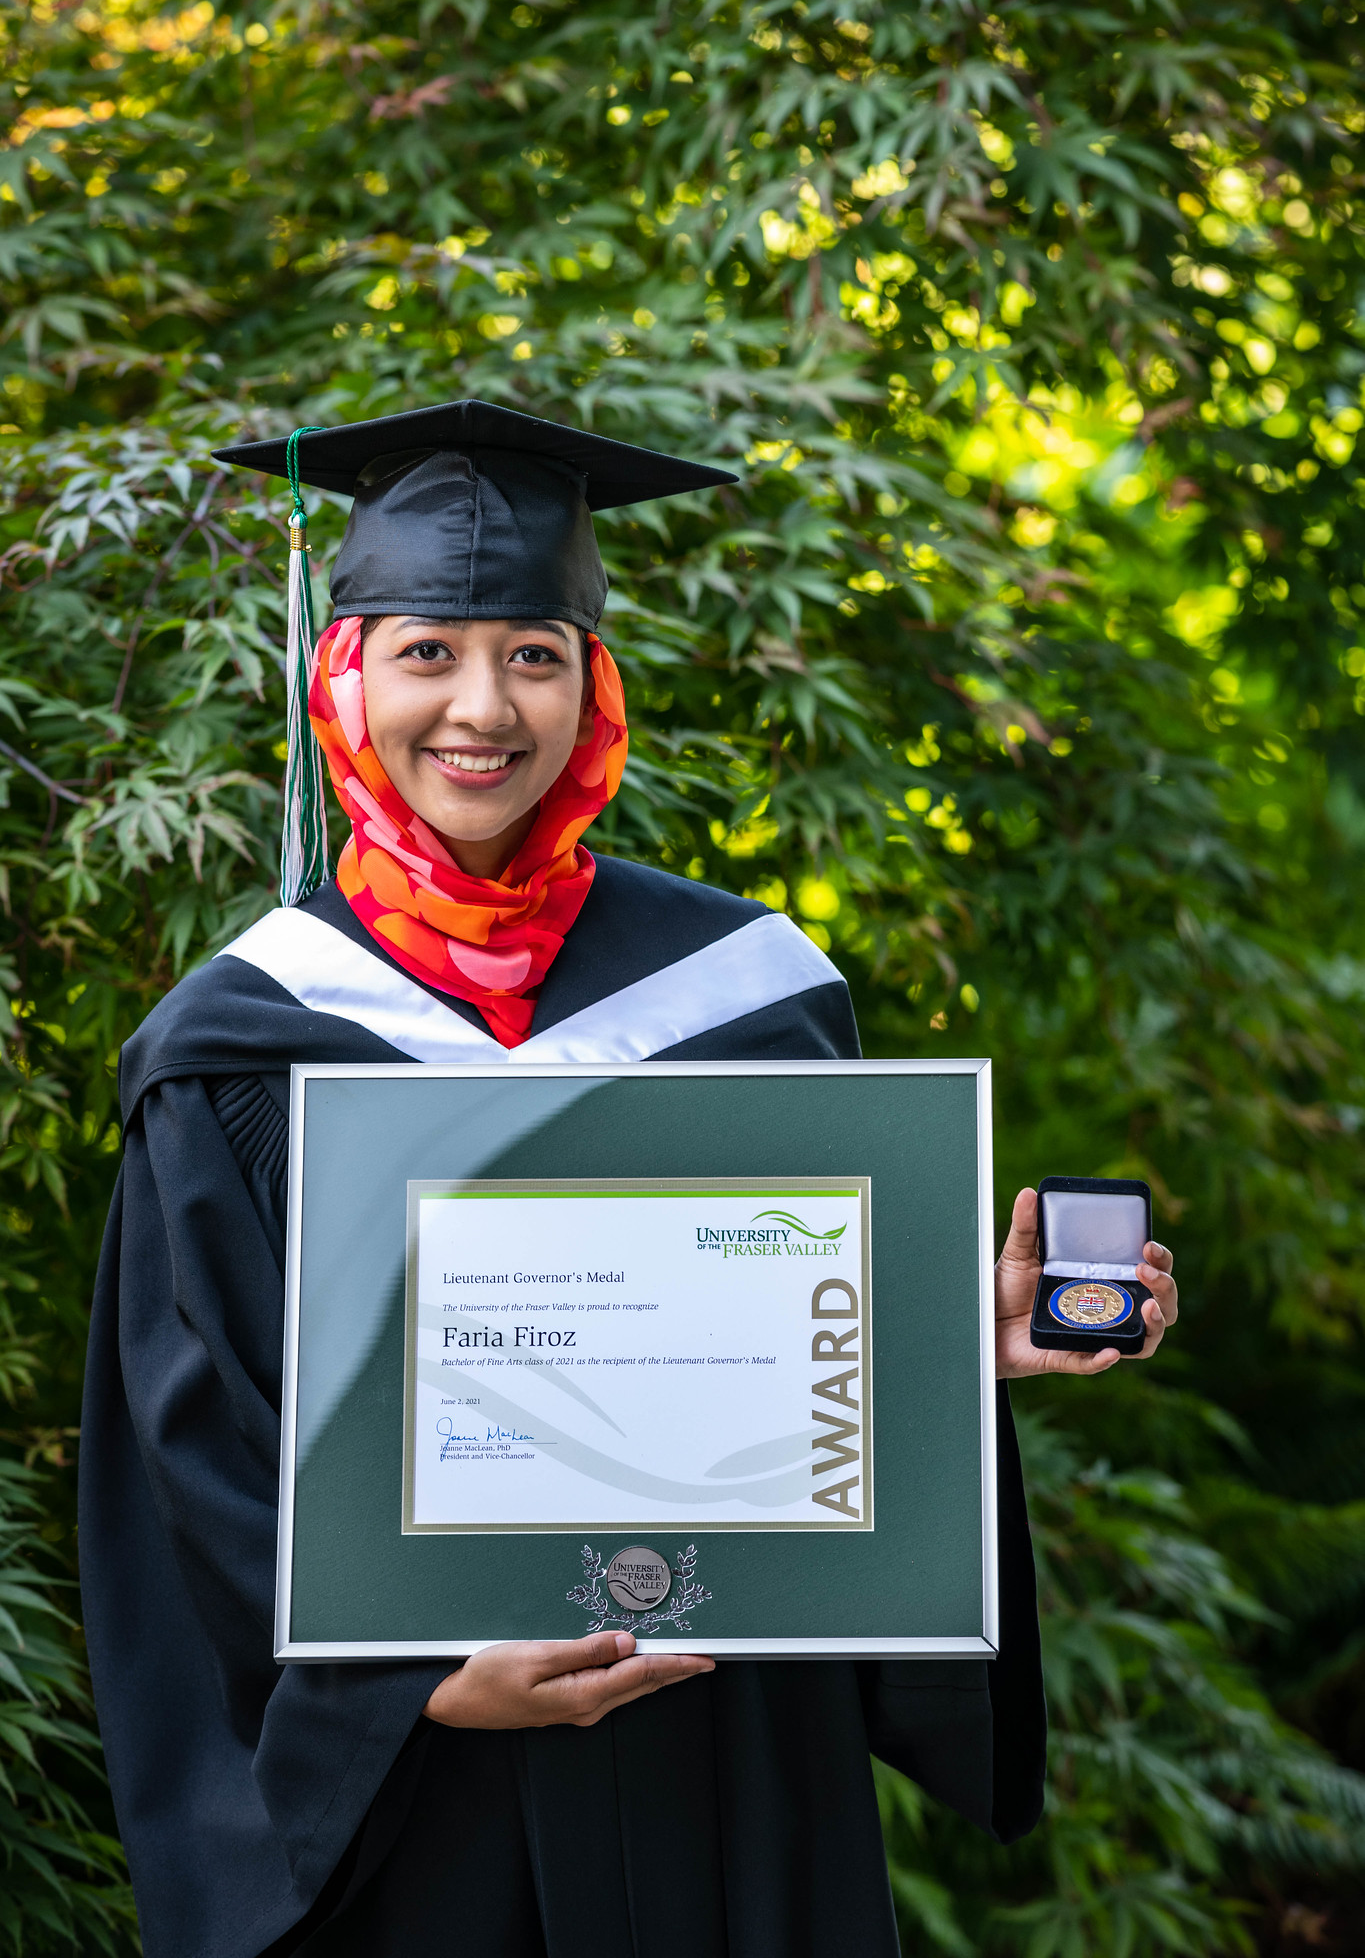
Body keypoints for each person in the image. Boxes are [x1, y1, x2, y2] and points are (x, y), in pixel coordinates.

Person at [79, 401, 1179, 1958]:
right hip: (431, 1777)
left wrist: (949, 1334)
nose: (482, 707)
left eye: (534, 652)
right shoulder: (240, 1042)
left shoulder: (751, 988)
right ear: (342, 681)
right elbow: (191, 1443)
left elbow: (800, 1356)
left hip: (721, 1726)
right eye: (425, 655)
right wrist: (411, 1684)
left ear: (593, 687)